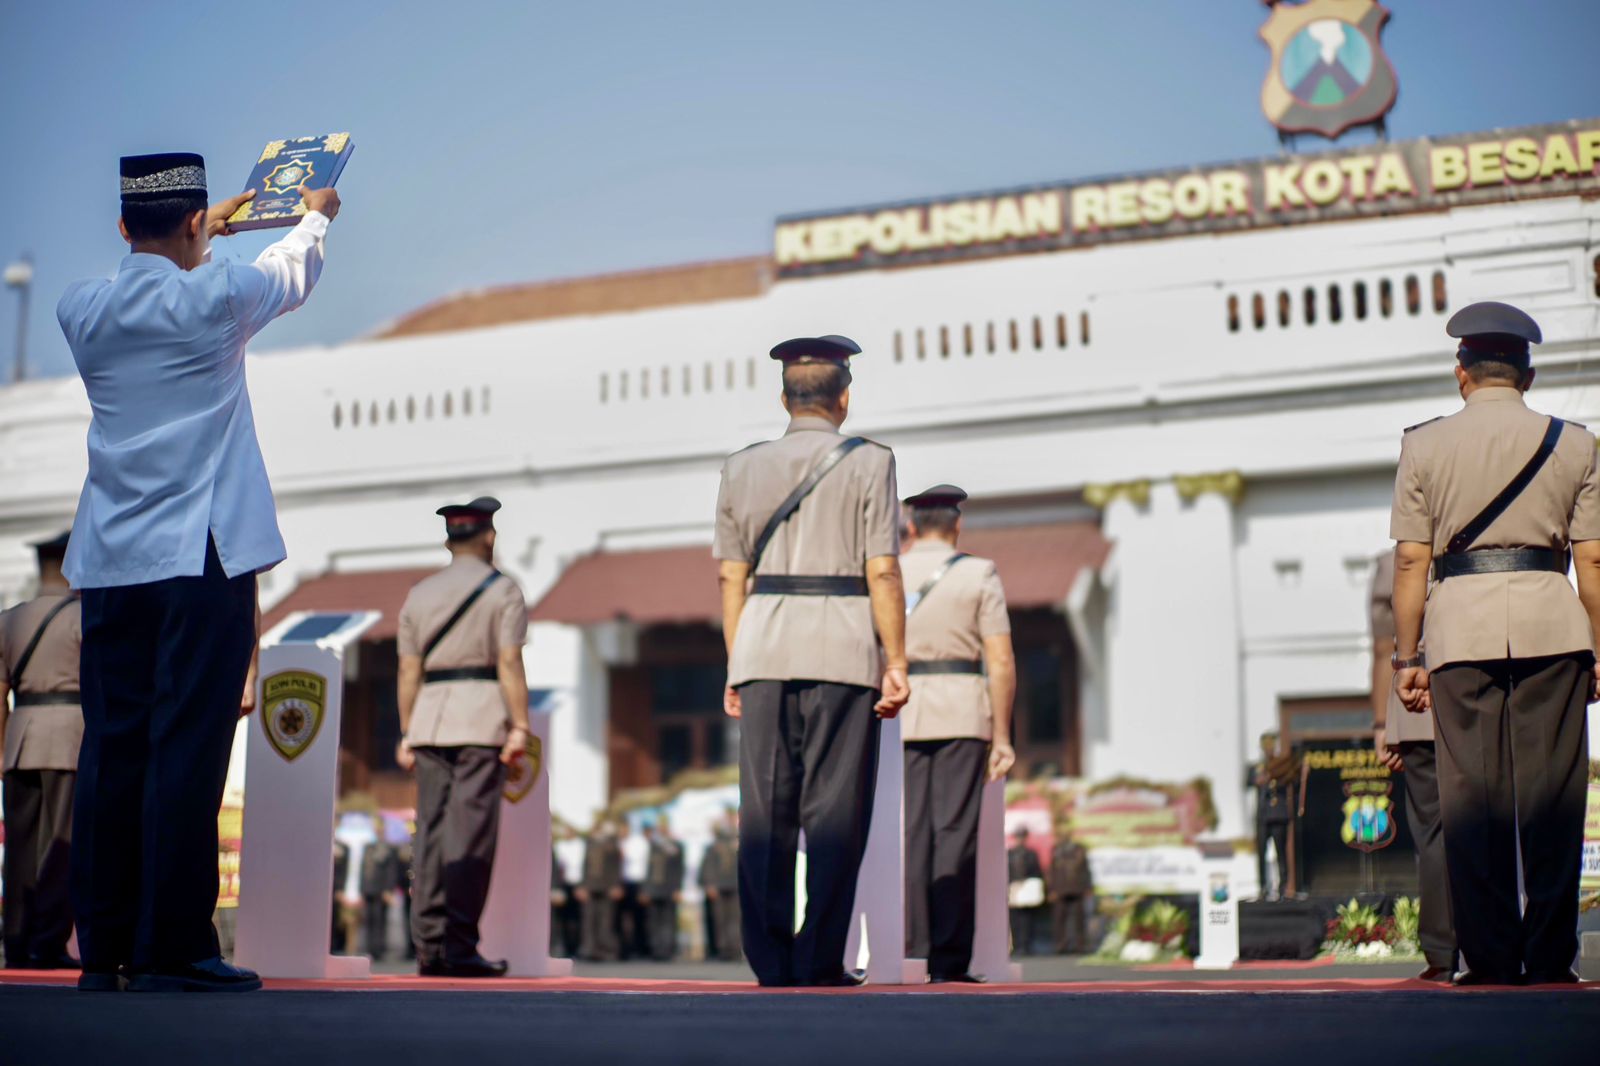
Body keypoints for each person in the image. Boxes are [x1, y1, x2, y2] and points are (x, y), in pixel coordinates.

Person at [59, 152, 339, 993]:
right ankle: (173, 947)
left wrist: (198, 229)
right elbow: (290, 271)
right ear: (193, 225)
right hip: (201, 553)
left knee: (111, 750)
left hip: (110, 559)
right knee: (187, 747)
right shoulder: (216, 298)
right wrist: (315, 213)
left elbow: (157, 271)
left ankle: (103, 946)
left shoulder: (81, 309)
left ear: (121, 227)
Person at [1391, 300, 1600, 987]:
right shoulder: (1576, 443)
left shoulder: (1423, 445)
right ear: (1527, 374)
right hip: (1552, 627)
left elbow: (1410, 564)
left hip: (1459, 634)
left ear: (1462, 374)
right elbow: (1593, 562)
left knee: (1472, 803)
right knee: (1553, 800)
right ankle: (1548, 956)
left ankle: (1486, 959)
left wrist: (1407, 657)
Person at [714, 334, 910, 987]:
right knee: (836, 808)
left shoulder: (741, 467)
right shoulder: (870, 461)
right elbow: (882, 571)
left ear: (784, 397)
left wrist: (735, 663)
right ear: (843, 399)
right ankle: (819, 956)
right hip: (844, 644)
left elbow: (730, 577)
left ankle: (770, 961)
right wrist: (898, 660)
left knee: (765, 809)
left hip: (764, 642)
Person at [395, 496, 532, 978]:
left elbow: (408, 669)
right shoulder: (503, 590)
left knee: (430, 834)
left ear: (448, 539)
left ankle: (429, 945)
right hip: (480, 719)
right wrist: (519, 725)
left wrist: (407, 731)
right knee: (470, 836)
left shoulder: (420, 593)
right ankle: (458, 945)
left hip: (430, 719)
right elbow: (509, 662)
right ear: (489, 536)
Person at [897, 484, 1017, 984]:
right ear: (956, 525)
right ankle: (949, 959)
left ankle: (908, 950)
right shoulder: (977, 573)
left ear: (910, 527)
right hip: (962, 711)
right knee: (954, 835)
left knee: (909, 834)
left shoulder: (887, 571)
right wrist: (1003, 734)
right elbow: (1000, 659)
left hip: (898, 710)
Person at [1369, 550, 1457, 983]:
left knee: (1432, 831)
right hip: (1474, 696)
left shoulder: (1392, 565)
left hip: (1414, 706)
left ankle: (1442, 951)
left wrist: (1383, 724)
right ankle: (1493, 941)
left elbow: (1384, 647)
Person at [0, 531, 82, 970]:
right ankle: (47, 942)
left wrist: (1, 751)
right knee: (60, 845)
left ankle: (15, 939)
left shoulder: (10, 618)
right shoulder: (82, 617)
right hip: (69, 737)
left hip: (20, 737)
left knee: (20, 846)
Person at [1248, 733, 1296, 899]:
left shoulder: (1281, 765)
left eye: (1271, 745)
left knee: (1280, 852)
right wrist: (1260, 778)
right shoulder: (1257, 767)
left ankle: (1283, 887)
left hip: (1278, 814)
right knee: (1261, 853)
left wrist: (1274, 775)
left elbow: (1291, 778)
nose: (1268, 748)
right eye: (1265, 745)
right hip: (1262, 815)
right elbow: (1249, 781)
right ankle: (1263, 887)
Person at [576, 819, 624, 961]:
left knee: (605, 920)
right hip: (590, 886)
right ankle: (589, 949)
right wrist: (582, 885)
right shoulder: (589, 843)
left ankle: (607, 950)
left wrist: (616, 885)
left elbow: (617, 867)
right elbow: (585, 865)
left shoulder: (612, 843)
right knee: (589, 919)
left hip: (607, 886)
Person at [641, 818, 685, 961]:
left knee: (668, 921)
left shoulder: (676, 846)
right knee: (654, 921)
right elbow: (648, 869)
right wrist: (646, 890)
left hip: (669, 889)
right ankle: (656, 950)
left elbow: (679, 869)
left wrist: (678, 888)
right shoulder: (653, 845)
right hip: (654, 889)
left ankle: (667, 950)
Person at [698, 821, 741, 962]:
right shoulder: (713, 847)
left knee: (733, 920)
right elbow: (709, 866)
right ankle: (723, 949)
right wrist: (710, 884)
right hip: (719, 887)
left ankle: (734, 949)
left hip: (734, 886)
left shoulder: (738, 845)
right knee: (721, 920)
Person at [1048, 826, 1094, 956]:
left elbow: (1086, 870)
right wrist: (1051, 890)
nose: (1063, 836)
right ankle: (1060, 945)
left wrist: (1088, 887)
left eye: (1065, 833)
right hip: (1060, 889)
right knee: (1059, 919)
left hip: (1077, 888)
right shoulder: (1056, 849)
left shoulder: (1079, 849)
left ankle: (1080, 945)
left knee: (1079, 919)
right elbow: (1051, 872)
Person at [360, 831, 400, 962]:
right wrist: (361, 889)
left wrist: (389, 889)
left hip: (381, 891)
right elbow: (363, 869)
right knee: (368, 920)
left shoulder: (389, 850)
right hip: (368, 889)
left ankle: (378, 949)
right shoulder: (368, 848)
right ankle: (369, 948)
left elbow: (391, 871)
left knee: (380, 921)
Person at [1006, 827, 1045, 956]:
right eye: (1018, 836)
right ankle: (1015, 945)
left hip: (1027, 890)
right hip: (1013, 889)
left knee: (1027, 919)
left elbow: (1037, 872)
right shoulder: (1009, 854)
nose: (1020, 839)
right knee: (1014, 919)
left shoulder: (1031, 854)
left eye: (1022, 836)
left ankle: (1026, 945)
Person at [618, 818, 649, 959]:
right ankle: (625, 949)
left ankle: (641, 948)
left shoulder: (639, 842)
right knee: (621, 919)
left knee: (639, 918)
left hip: (637, 882)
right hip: (621, 883)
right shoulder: (616, 842)